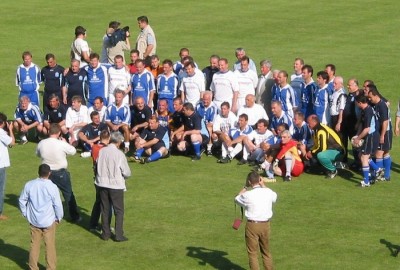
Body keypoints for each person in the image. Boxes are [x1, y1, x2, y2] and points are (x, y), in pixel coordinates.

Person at [18, 164, 63, 270]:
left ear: (38, 172)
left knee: (34, 245)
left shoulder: (29, 185)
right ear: (49, 173)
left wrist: (25, 213)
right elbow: (58, 205)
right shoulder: (52, 187)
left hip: (34, 221)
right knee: (50, 246)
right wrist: (58, 217)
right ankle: (51, 268)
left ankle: (33, 267)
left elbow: (21, 200)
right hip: (49, 221)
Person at [36, 124, 81, 222]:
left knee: (46, 195)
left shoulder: (41, 143)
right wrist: (66, 143)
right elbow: (73, 151)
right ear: (59, 132)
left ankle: (45, 215)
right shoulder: (61, 144)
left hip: (46, 173)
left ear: (49, 132)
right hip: (60, 172)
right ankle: (75, 217)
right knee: (68, 194)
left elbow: (38, 154)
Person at [235, 171, 277, 270]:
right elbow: (274, 197)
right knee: (266, 252)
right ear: (259, 180)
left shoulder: (248, 195)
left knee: (253, 253)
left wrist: (245, 187)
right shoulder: (268, 192)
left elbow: (237, 198)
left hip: (252, 225)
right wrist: (263, 185)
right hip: (265, 225)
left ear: (249, 182)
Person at [96, 131, 131, 242]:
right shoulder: (119, 154)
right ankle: (119, 234)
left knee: (105, 209)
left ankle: (105, 233)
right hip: (115, 185)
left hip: (102, 183)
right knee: (119, 210)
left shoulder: (102, 151)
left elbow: (97, 165)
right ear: (119, 142)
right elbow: (127, 172)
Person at [354, 95, 381, 187]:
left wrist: (358, 138)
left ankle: (366, 181)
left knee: (364, 157)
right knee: (361, 155)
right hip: (372, 135)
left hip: (371, 136)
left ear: (360, 103)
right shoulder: (367, 109)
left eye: (356, 102)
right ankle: (377, 170)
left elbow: (367, 129)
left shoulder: (367, 112)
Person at [305, 114, 344, 179]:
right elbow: (316, 145)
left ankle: (333, 170)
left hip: (338, 151)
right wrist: (310, 151)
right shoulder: (316, 129)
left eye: (308, 123)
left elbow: (322, 148)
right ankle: (329, 166)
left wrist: (311, 153)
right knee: (315, 153)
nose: (308, 125)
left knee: (320, 155)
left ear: (314, 121)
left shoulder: (321, 130)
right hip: (331, 150)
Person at [367, 86, 392, 181]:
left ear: (376, 95)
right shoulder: (375, 104)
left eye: (370, 97)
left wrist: (382, 135)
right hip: (381, 132)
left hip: (385, 132)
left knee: (379, 153)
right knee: (385, 152)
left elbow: (385, 122)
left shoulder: (382, 105)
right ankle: (386, 175)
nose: (369, 99)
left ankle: (379, 175)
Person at [89, 129, 111, 231]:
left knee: (98, 201)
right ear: (109, 138)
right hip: (106, 178)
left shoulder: (94, 147)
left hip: (97, 177)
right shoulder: (108, 149)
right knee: (106, 203)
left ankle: (93, 224)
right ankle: (105, 226)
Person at [342, 78, 361, 168]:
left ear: (355, 85)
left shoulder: (359, 95)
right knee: (349, 143)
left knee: (356, 145)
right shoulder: (350, 95)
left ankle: (358, 163)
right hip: (347, 124)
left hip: (354, 125)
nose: (348, 86)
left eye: (349, 85)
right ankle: (354, 162)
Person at [0, 113, 15, 221]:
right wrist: (10, 129)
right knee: (1, 189)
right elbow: (12, 142)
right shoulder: (1, 132)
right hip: (1, 165)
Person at [196, 91, 218, 155]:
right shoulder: (198, 105)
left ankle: (209, 148)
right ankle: (198, 147)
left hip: (208, 126)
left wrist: (203, 127)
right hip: (199, 125)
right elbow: (195, 117)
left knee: (209, 129)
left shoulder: (213, 107)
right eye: (204, 99)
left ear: (211, 99)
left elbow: (211, 122)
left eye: (207, 100)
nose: (205, 101)